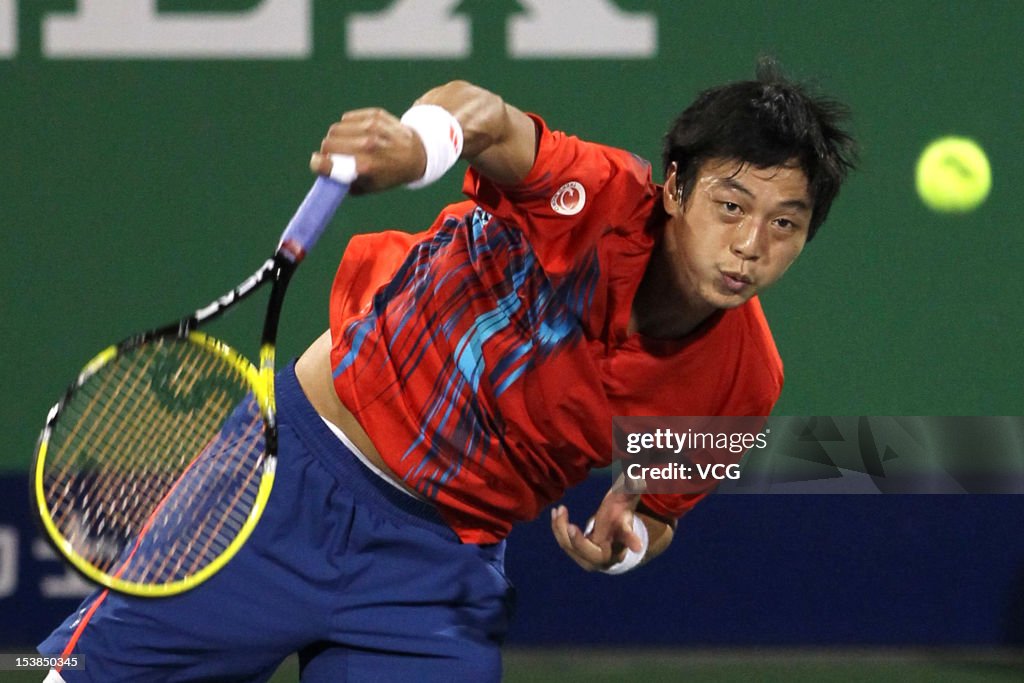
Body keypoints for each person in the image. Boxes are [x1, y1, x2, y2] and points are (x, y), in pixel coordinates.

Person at [40, 59, 856, 682]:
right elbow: (489, 120)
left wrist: (630, 541)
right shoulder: (597, 195)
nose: (753, 245)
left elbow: (659, 513)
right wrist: (415, 144)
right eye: (732, 206)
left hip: (440, 574)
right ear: (674, 188)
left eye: (787, 223)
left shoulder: (746, 380)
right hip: (286, 486)